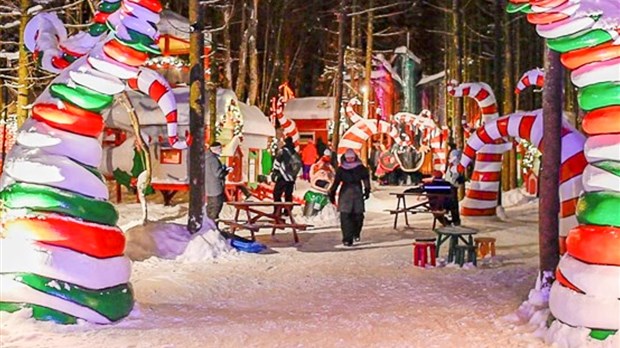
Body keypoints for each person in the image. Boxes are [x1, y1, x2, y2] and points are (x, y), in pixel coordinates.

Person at [329, 148, 371, 246]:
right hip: (345, 194)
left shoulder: (361, 168)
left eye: (352, 158)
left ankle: (356, 232)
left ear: (355, 157)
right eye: (348, 158)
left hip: (357, 193)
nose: (350, 160)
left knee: (358, 216)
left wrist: (367, 189)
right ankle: (347, 238)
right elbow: (336, 182)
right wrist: (332, 193)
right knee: (345, 216)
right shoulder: (341, 169)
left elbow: (366, 179)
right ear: (345, 158)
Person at [272, 137, 301, 214]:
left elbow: (277, 163)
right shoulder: (294, 152)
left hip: (282, 176)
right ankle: (288, 211)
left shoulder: (282, 151)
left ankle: (277, 210)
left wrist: (275, 172)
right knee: (288, 194)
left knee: (277, 193)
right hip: (291, 178)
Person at [205, 142, 230, 220]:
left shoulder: (207, 158)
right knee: (215, 209)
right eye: (220, 148)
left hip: (209, 188)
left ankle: (208, 226)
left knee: (210, 208)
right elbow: (218, 174)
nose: (221, 150)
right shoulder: (213, 159)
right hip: (216, 188)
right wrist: (226, 171)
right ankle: (213, 228)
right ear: (215, 149)